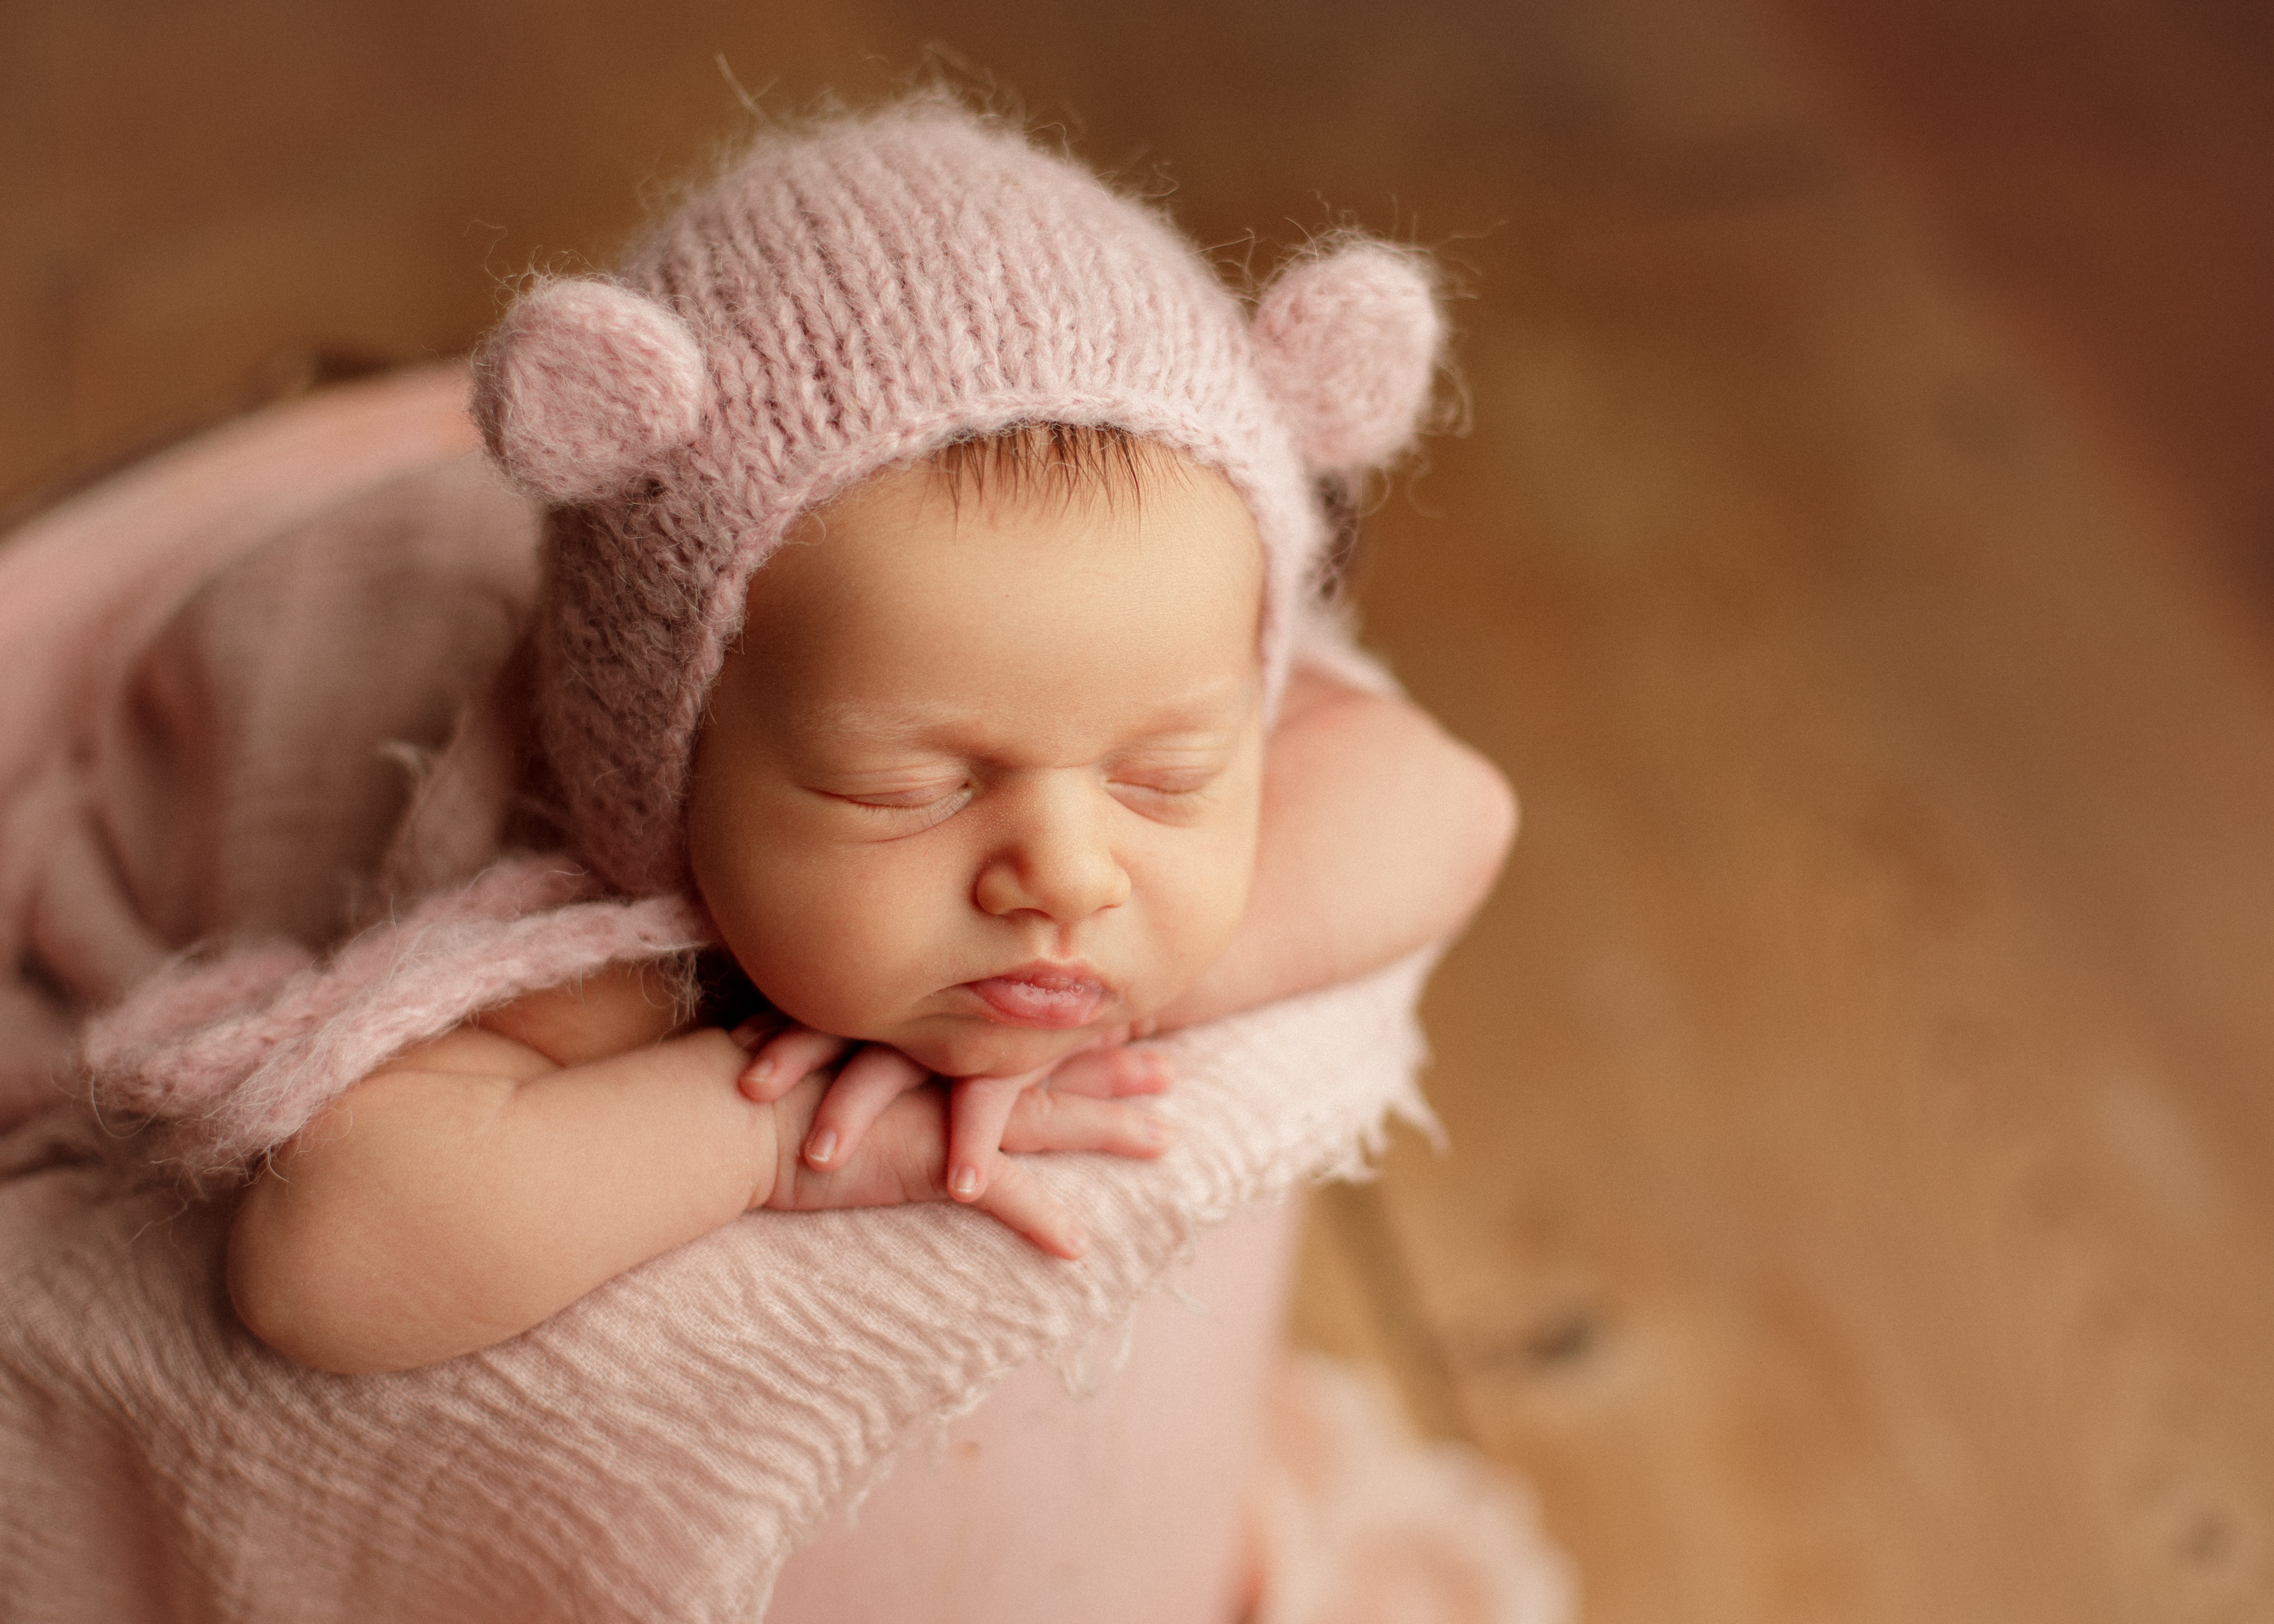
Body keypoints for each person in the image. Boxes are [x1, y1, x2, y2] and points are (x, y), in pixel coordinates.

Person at [159, 101, 1515, 1375]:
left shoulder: (1171, 647)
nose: (1065, 875)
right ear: (672, 768)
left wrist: (1127, 1005)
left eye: (1165, 779)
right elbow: (315, 1269)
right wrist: (766, 1129)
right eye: (912, 788)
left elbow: (1452, 805)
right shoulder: (645, 956)